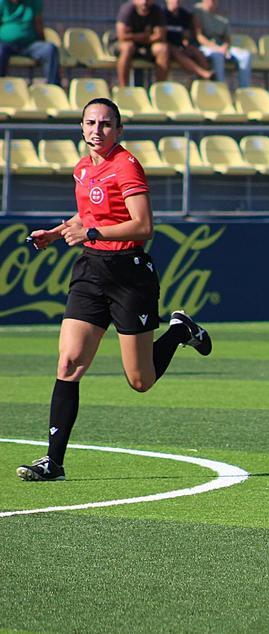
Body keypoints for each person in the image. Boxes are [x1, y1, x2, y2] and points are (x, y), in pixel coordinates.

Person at [17, 98, 213, 482]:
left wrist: (91, 232)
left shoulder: (126, 166)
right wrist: (57, 234)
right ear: (81, 126)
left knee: (140, 381)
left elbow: (143, 226)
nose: (97, 130)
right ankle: (53, 462)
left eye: (106, 124)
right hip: (90, 270)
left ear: (119, 131)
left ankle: (178, 330)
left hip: (129, 274)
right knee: (69, 363)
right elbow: (88, 215)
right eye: (90, 122)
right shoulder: (83, 168)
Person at [193, 0, 252, 88]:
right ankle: (220, 87)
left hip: (222, 46)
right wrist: (216, 48)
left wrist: (225, 46)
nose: (211, 2)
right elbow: (199, 36)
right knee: (218, 55)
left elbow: (227, 37)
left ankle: (244, 89)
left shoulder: (223, 15)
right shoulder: (197, 12)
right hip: (205, 47)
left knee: (245, 55)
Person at [0, 0, 60, 85]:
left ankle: (54, 88)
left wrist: (42, 40)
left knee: (49, 49)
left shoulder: (33, 2)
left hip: (30, 45)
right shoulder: (2, 3)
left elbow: (38, 23)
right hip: (6, 45)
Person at [115, 0, 169, 87]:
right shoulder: (127, 9)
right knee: (128, 47)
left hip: (147, 45)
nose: (144, 2)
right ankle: (123, 88)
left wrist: (136, 37)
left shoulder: (157, 10)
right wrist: (143, 36)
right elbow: (122, 36)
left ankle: (159, 89)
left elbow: (160, 36)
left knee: (163, 49)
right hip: (128, 46)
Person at [163, 0, 212, 80]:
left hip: (180, 46)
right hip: (167, 48)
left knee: (196, 52)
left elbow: (186, 35)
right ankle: (204, 73)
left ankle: (208, 81)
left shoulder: (184, 15)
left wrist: (185, 44)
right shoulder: (162, 14)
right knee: (174, 50)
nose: (176, 1)